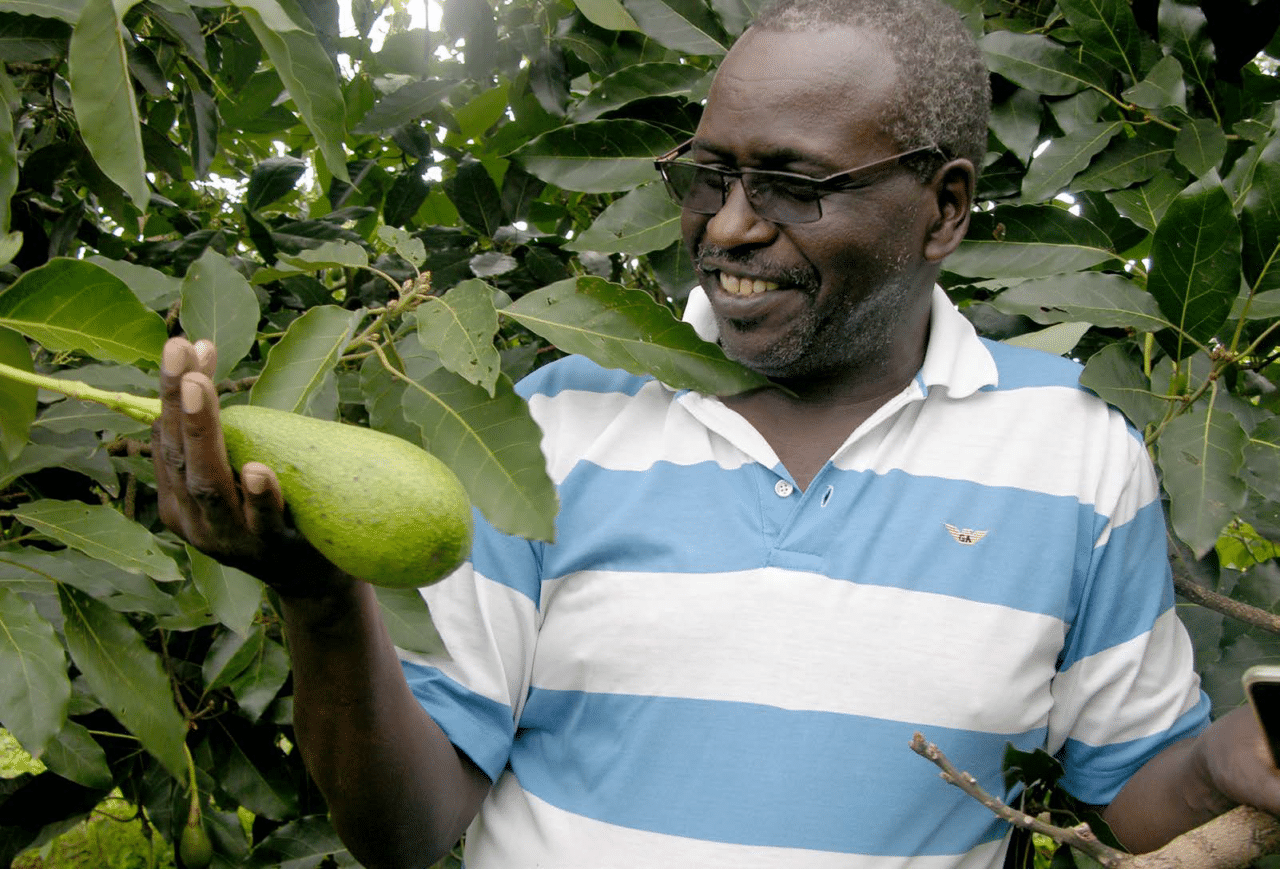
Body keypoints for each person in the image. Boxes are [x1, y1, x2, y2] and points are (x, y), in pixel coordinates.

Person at [152, 0, 1280, 866]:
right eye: (710, 173)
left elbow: (1131, 791)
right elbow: (407, 825)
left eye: (793, 183)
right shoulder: (544, 425)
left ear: (942, 208)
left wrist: (1229, 758)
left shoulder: (1074, 456)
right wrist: (317, 598)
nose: (728, 227)